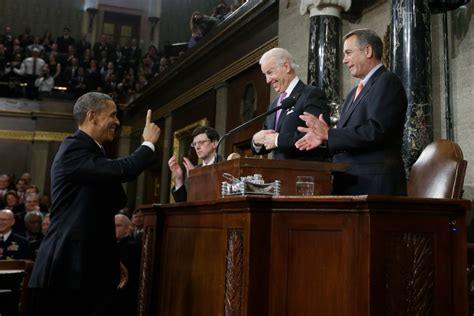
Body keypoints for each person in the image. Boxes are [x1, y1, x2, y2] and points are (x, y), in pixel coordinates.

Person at [28, 92, 161, 315]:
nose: (117, 122)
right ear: (92, 116)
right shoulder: (74, 148)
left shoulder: (94, 153)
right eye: (113, 115)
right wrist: (148, 143)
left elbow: (100, 212)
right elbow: (124, 170)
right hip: (67, 266)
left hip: (89, 264)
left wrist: (111, 259)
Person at [295, 29, 408, 195]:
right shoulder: (352, 94)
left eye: (348, 53)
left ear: (368, 51)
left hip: (375, 186)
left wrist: (330, 134)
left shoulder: (387, 81)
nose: (344, 60)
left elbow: (377, 130)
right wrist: (324, 139)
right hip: (350, 183)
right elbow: (347, 138)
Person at [251, 47, 328, 161]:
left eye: (270, 72)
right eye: (265, 75)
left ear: (286, 67)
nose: (267, 80)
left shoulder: (311, 94)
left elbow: (316, 135)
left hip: (304, 173)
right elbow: (268, 141)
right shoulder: (274, 105)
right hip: (278, 175)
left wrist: (278, 140)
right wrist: (256, 141)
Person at [168, 126, 223, 202]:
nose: (197, 147)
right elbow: (182, 202)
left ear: (214, 143)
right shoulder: (193, 170)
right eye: (194, 144)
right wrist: (179, 178)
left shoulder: (226, 166)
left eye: (201, 142)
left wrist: (196, 180)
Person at [113, 214, 141, 316]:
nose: (114, 228)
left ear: (128, 229)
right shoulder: (115, 244)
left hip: (126, 294)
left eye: (118, 225)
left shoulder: (132, 246)